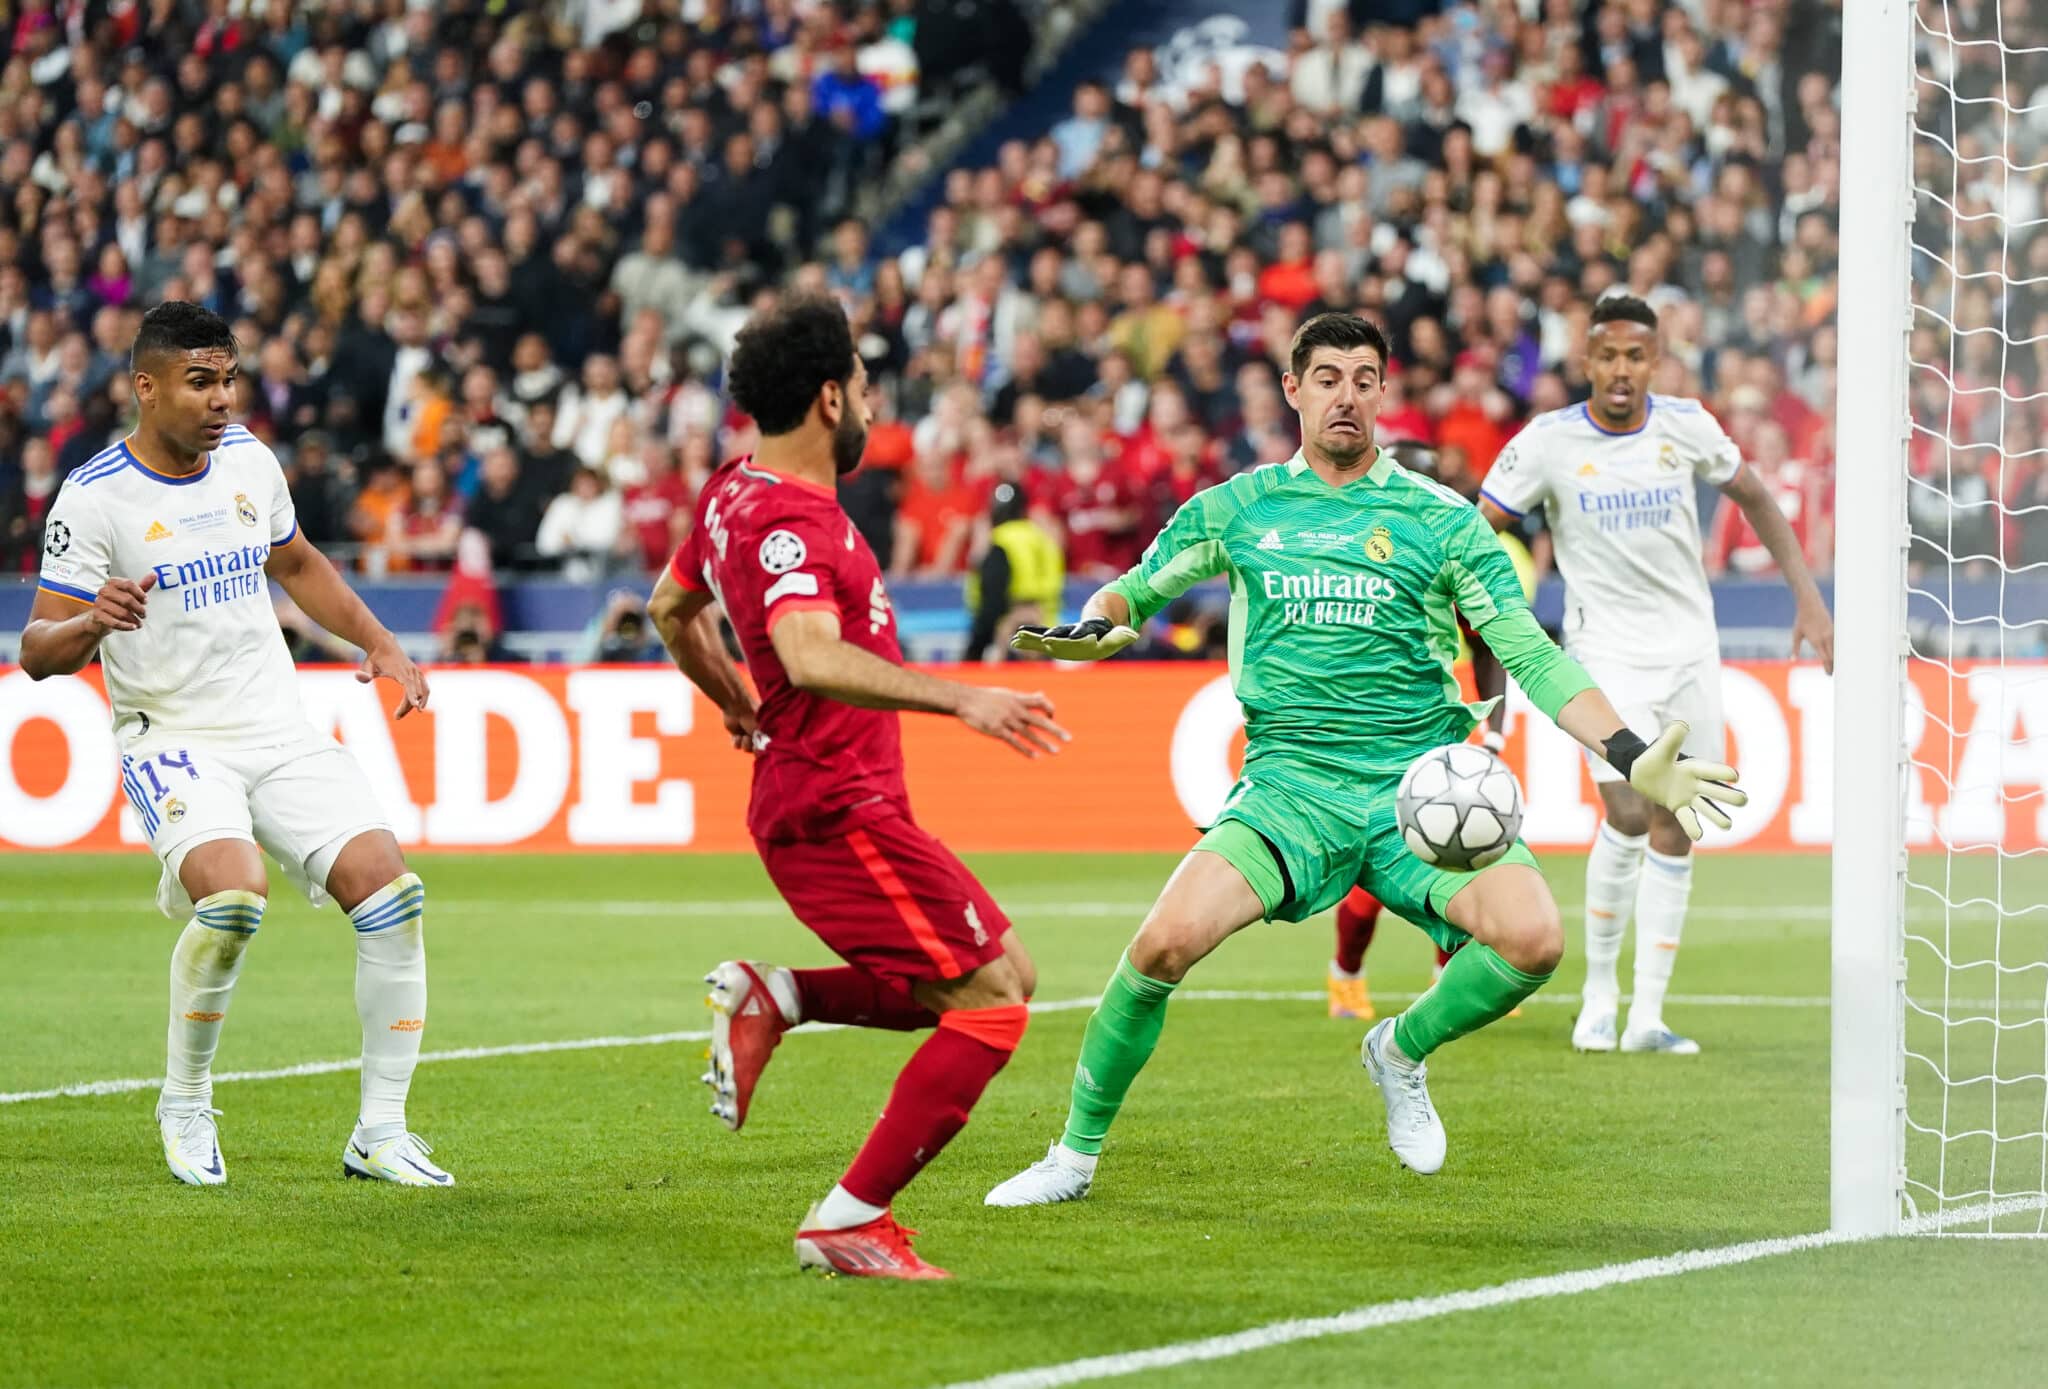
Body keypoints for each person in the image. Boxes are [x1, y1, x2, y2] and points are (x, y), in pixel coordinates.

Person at [985, 312, 1745, 1199]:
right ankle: (1072, 1157)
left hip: (1415, 790)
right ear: (1293, 389)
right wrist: (1098, 624)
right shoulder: (1240, 506)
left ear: (1383, 392)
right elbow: (1138, 586)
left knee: (1534, 941)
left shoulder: (1442, 521)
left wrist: (1631, 749)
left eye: (1363, 377)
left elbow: (1530, 653)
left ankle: (1399, 1050)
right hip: (1287, 788)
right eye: (1329, 377)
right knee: (1160, 947)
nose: (1346, 394)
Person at [645, 294, 1068, 1279]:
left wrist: (737, 700)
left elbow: (671, 609)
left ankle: (777, 996)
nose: (878, 407)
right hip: (836, 804)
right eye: (869, 389)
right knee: (993, 1002)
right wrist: (959, 700)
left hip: (827, 797)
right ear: (831, 397)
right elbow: (807, 648)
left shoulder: (726, 493)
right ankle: (846, 1217)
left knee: (984, 980)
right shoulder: (792, 520)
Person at [18, 302, 448, 1188]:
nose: (221, 400)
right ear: (147, 386)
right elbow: (35, 652)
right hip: (172, 737)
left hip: (277, 727)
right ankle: (184, 1100)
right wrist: (92, 622)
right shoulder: (94, 497)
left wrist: (379, 640)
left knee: (393, 895)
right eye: (200, 381)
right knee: (235, 899)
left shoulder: (249, 459)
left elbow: (296, 563)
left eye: (228, 380)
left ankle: (381, 1131)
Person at [1477, 294, 1834, 1055]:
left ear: (1656, 360)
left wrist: (1808, 597)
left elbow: (1758, 498)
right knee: (1632, 811)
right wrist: (1474, 615)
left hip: (1689, 649)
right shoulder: (1546, 442)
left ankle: (1649, 1014)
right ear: (1587, 360)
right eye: (1607, 355)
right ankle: (1598, 996)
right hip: (1605, 651)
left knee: (1678, 822)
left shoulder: (1687, 425)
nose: (1621, 369)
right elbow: (1480, 528)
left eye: (1636, 356)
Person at [964, 481, 1064, 663]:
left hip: (1010, 629)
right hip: (1048, 624)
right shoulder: (1042, 538)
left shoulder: (999, 541)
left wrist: (976, 647)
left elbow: (992, 599)